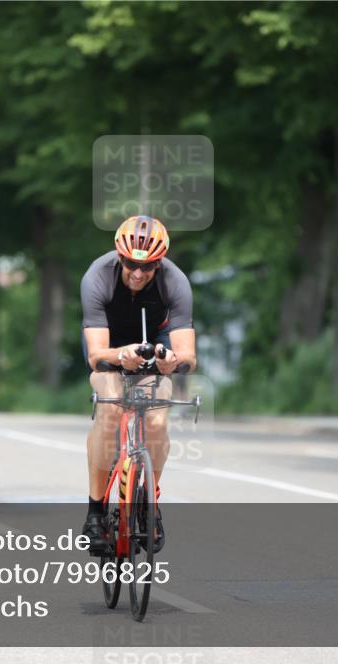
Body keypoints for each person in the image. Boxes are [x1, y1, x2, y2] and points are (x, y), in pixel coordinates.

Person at [79, 215, 196, 555]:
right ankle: (95, 512)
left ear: (159, 264)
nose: (138, 273)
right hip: (109, 343)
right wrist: (120, 355)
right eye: (131, 264)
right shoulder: (97, 278)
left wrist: (172, 361)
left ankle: (150, 505)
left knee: (158, 417)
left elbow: (189, 355)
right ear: (120, 257)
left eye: (149, 267)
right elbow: (96, 354)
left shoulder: (175, 282)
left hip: (155, 340)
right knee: (111, 405)